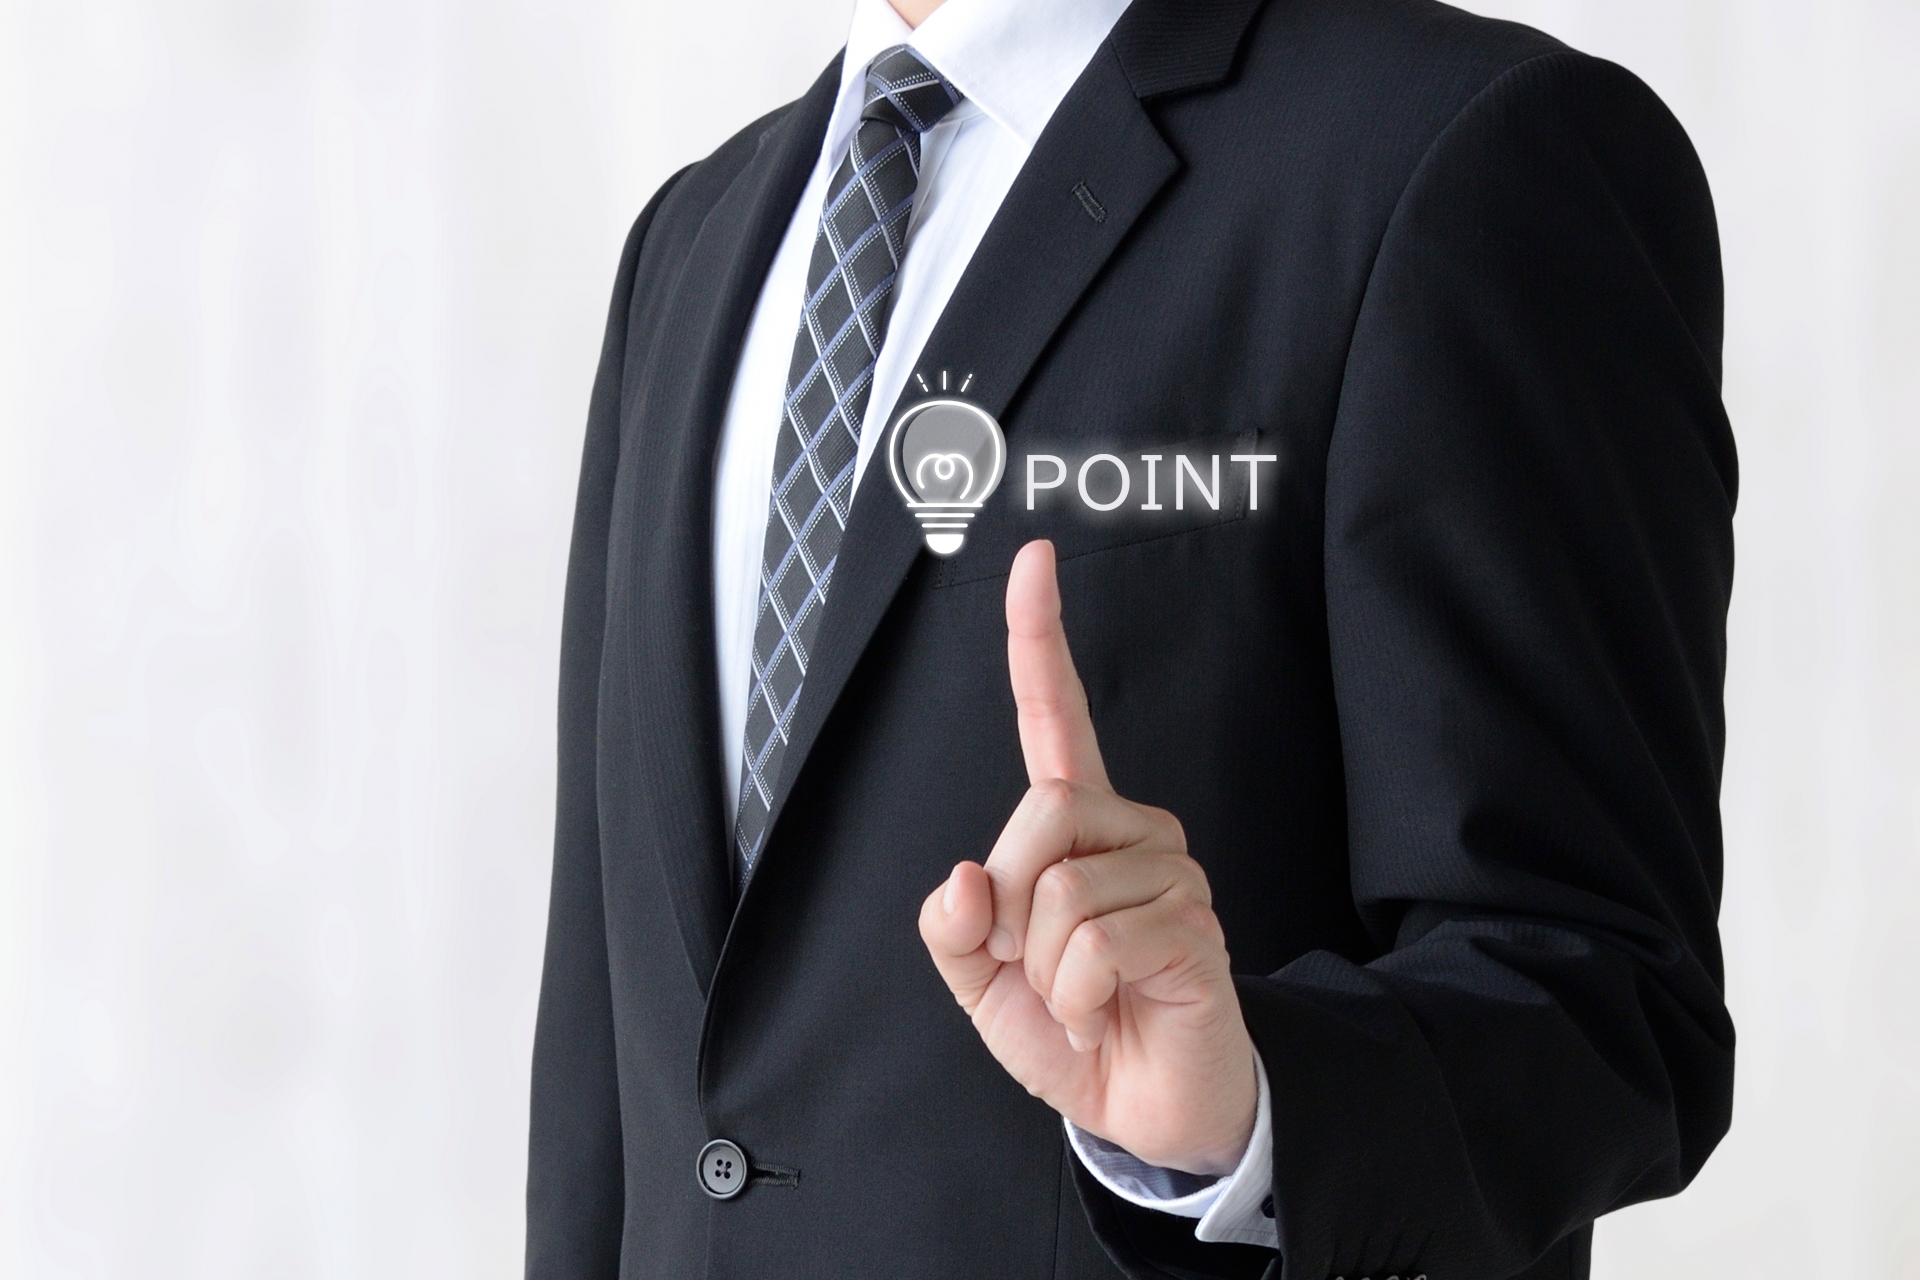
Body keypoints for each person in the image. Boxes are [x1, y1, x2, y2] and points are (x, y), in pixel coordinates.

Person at [524, 0, 1738, 1274]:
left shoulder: (1460, 151)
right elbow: (603, 1076)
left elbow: (1613, 993)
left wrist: (1250, 1115)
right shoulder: (690, 245)